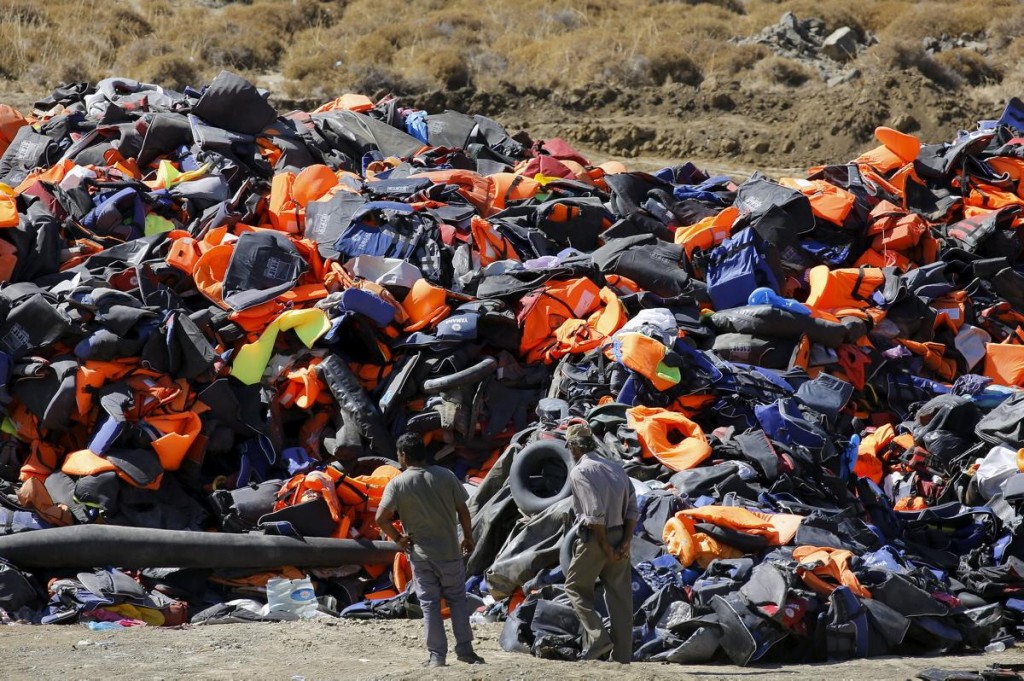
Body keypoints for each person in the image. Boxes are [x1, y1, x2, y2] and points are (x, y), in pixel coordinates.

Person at [376, 432, 485, 668]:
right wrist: (468, 537)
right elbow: (464, 510)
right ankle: (466, 651)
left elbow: (380, 517)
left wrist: (398, 539)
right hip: (449, 552)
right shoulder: (446, 476)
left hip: (420, 555)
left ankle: (437, 657)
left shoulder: (398, 483)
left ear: (403, 456)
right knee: (457, 600)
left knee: (430, 604)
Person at [562, 421, 638, 664]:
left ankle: (598, 638)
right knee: (620, 596)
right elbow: (633, 508)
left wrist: (605, 546)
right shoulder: (616, 468)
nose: (570, 452)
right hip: (620, 535)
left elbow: (594, 513)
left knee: (575, 587)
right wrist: (625, 541)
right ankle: (623, 656)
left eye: (570, 447)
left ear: (575, 446)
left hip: (597, 538)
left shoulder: (581, 471)